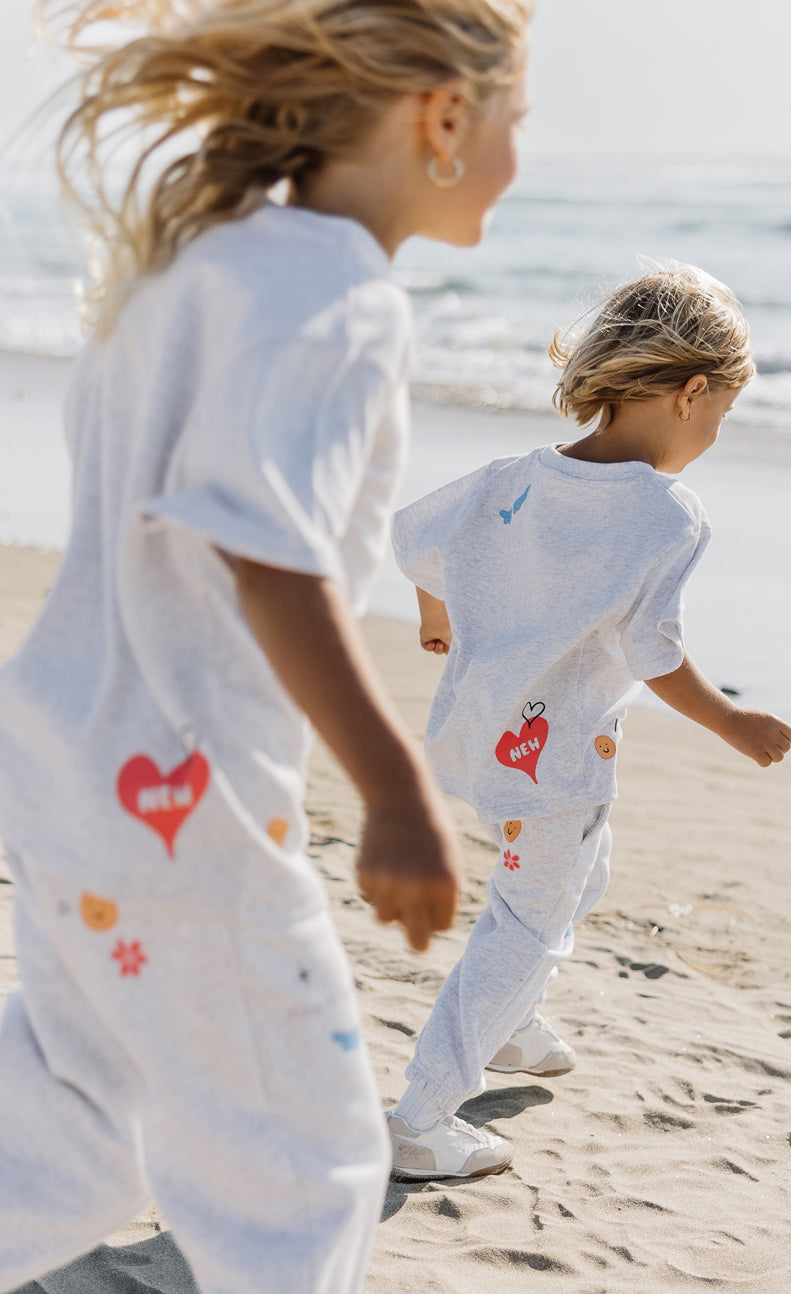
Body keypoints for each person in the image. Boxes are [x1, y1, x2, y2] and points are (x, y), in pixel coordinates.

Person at [0, 1, 531, 1291]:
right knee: (312, 1163)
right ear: (444, 119)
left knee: (90, 1115)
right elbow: (269, 556)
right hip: (185, 809)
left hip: (68, 771)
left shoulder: (196, 263)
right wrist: (397, 787)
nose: (524, 157)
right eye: (521, 118)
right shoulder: (339, 293)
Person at [388, 263, 791, 1180]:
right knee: (526, 924)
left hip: (479, 737)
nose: (716, 435)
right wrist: (731, 722)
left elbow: (415, 540)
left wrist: (436, 616)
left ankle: (515, 1025)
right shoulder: (665, 516)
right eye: (722, 415)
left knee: (573, 877)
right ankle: (420, 1117)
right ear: (691, 392)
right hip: (556, 764)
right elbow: (654, 651)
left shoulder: (509, 478)